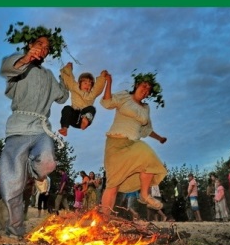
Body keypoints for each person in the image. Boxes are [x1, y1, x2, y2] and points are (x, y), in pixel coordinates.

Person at [0, 29, 69, 239]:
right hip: (18, 128)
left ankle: (36, 174)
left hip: (40, 127)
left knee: (48, 163)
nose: (44, 49)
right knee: (12, 184)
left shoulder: (48, 75)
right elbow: (7, 68)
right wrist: (26, 58)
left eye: (47, 48)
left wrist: (65, 77)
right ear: (30, 45)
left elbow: (62, 97)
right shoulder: (20, 67)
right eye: (40, 44)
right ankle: (15, 231)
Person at [100, 71, 168, 217]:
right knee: (113, 185)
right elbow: (107, 102)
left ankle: (144, 194)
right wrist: (108, 82)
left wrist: (159, 138)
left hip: (132, 144)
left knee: (147, 155)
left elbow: (146, 130)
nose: (146, 91)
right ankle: (103, 220)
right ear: (137, 85)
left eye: (149, 90)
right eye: (144, 86)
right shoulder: (125, 96)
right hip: (115, 145)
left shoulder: (146, 108)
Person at [58, 62, 108, 136]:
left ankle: (86, 119)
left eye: (90, 84)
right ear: (80, 83)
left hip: (83, 117)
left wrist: (102, 77)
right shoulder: (74, 87)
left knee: (91, 108)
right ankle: (64, 127)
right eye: (85, 83)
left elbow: (98, 88)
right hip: (73, 116)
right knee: (67, 108)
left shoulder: (92, 94)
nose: (87, 85)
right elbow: (69, 80)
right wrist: (68, 69)